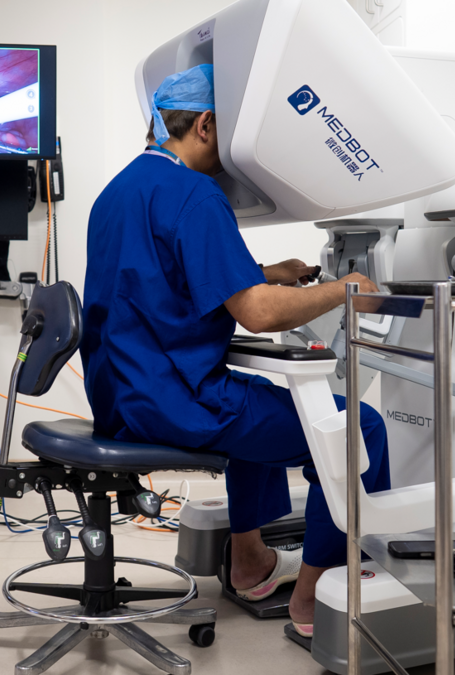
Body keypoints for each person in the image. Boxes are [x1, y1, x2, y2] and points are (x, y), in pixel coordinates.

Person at [80, 65, 391, 638]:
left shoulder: (119, 190)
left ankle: (249, 561)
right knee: (359, 428)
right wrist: (344, 291)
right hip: (178, 403)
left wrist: (267, 273)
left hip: (123, 398)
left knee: (260, 400)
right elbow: (257, 312)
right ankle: (314, 597)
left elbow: (158, 277)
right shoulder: (196, 193)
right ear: (204, 125)